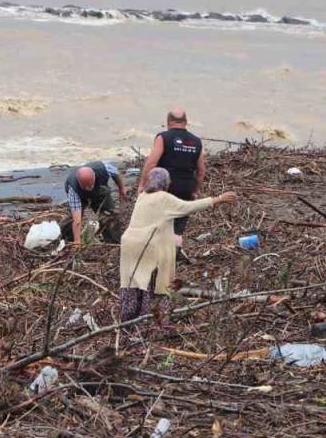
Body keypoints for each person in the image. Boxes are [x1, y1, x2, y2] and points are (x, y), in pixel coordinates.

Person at [118, 168, 237, 322]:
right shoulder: (164, 198)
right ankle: (149, 320)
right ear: (167, 183)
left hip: (129, 244)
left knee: (133, 282)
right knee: (154, 284)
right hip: (148, 246)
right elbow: (188, 207)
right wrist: (217, 199)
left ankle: (128, 318)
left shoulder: (142, 196)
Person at [138, 108, 204, 243]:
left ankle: (157, 255)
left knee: (159, 224)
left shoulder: (163, 137)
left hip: (165, 187)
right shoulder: (196, 141)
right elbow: (201, 171)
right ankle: (174, 255)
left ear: (168, 122)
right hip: (186, 187)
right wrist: (195, 191)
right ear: (186, 122)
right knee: (178, 229)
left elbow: (152, 162)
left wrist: (142, 184)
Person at [62, 160, 126, 246]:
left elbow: (116, 174)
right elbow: (77, 221)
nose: (89, 188)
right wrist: (77, 241)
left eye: (90, 185)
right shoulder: (73, 189)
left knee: (110, 216)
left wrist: (121, 188)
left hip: (99, 191)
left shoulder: (103, 168)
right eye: (86, 187)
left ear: (94, 177)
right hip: (81, 196)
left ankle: (113, 243)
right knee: (72, 220)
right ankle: (68, 241)